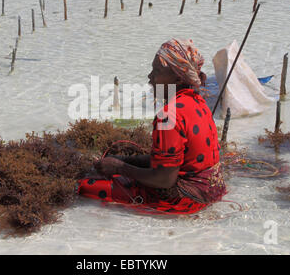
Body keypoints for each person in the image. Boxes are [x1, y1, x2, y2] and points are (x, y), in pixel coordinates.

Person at [78, 39, 226, 214]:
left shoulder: (169, 115)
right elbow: (173, 162)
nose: (150, 77)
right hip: (213, 190)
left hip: (188, 200)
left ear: (177, 79)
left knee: (84, 187)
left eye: (156, 71)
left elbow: (164, 179)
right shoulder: (197, 101)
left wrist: (119, 168)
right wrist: (124, 160)